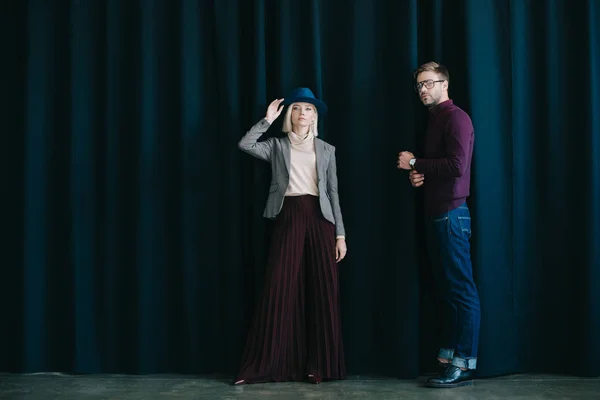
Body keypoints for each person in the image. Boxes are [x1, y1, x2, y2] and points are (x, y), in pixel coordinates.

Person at [234, 87, 347, 385]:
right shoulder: (277, 146)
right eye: (296, 108)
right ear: (289, 114)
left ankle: (319, 366)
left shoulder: (327, 149)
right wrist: (266, 120)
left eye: (308, 109)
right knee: (279, 286)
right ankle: (265, 366)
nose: (302, 113)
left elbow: (333, 193)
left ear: (315, 115)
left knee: (323, 290)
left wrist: (340, 235)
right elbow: (245, 144)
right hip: (289, 215)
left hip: (321, 219)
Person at [398, 62, 480, 388]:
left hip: (452, 216)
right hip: (438, 214)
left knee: (462, 291)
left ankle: (464, 363)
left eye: (428, 83)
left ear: (444, 84)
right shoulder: (435, 121)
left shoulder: (456, 117)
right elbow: (441, 169)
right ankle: (450, 357)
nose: (422, 90)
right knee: (448, 291)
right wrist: (420, 176)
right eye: (419, 85)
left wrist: (415, 162)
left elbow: (458, 166)